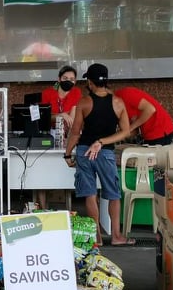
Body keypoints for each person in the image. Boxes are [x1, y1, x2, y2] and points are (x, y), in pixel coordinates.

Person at [63, 63, 134, 246]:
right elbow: (125, 131)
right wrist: (103, 142)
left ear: (90, 82)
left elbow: (76, 132)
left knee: (90, 194)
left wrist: (68, 154)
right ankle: (117, 236)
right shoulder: (118, 102)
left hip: (84, 152)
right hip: (106, 154)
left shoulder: (84, 102)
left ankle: (97, 237)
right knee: (113, 194)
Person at [37, 65, 81, 207]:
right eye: (65, 78)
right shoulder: (48, 93)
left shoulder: (76, 93)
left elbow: (74, 118)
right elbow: (44, 117)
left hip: (68, 135)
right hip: (49, 135)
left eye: (72, 79)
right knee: (42, 171)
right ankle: (43, 207)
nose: (69, 81)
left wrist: (70, 136)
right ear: (59, 79)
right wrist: (60, 115)